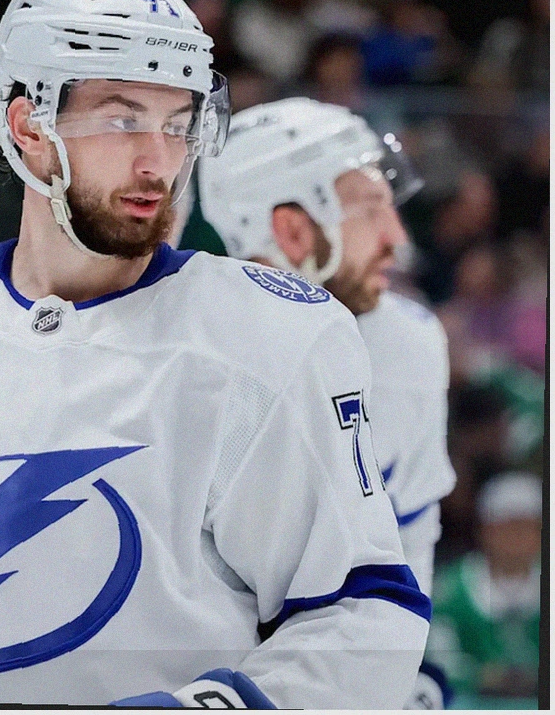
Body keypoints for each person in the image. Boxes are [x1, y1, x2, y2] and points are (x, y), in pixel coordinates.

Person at [0, 0, 429, 708]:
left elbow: (365, 615)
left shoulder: (274, 337)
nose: (160, 161)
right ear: (28, 129)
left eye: (178, 124)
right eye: (123, 118)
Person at [195, 96, 458, 707]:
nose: (396, 239)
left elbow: (410, 544)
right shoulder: (191, 362)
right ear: (292, 230)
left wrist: (402, 680)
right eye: (370, 210)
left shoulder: (410, 345)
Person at [425, 471, 542, 708]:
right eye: (508, 527)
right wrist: (481, 676)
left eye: (528, 527)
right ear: (485, 529)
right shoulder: (452, 590)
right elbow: (438, 660)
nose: (517, 537)